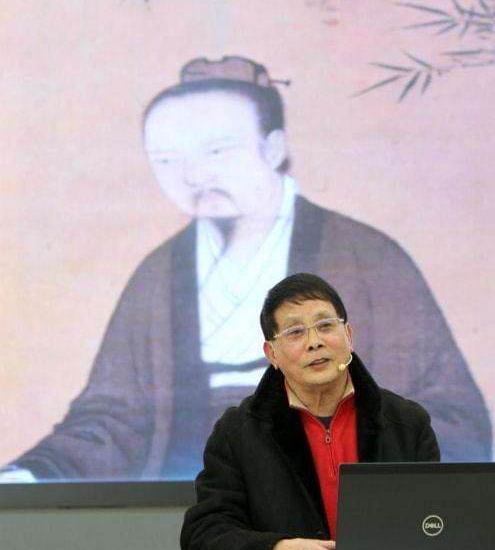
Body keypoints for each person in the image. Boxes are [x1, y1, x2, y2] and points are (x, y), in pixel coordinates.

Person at [2, 56, 490, 482]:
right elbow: (113, 418)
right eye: (167, 160)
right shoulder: (159, 275)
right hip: (196, 497)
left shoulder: (368, 258)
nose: (194, 176)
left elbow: (451, 416)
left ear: (273, 148)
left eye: (217, 152)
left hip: (333, 498)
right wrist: (37, 472)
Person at [180, 273, 441, 550]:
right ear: (272, 354)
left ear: (349, 336)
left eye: (325, 326)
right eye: (295, 332)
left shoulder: (407, 423)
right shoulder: (238, 433)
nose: (315, 342)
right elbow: (203, 538)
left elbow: (434, 525)